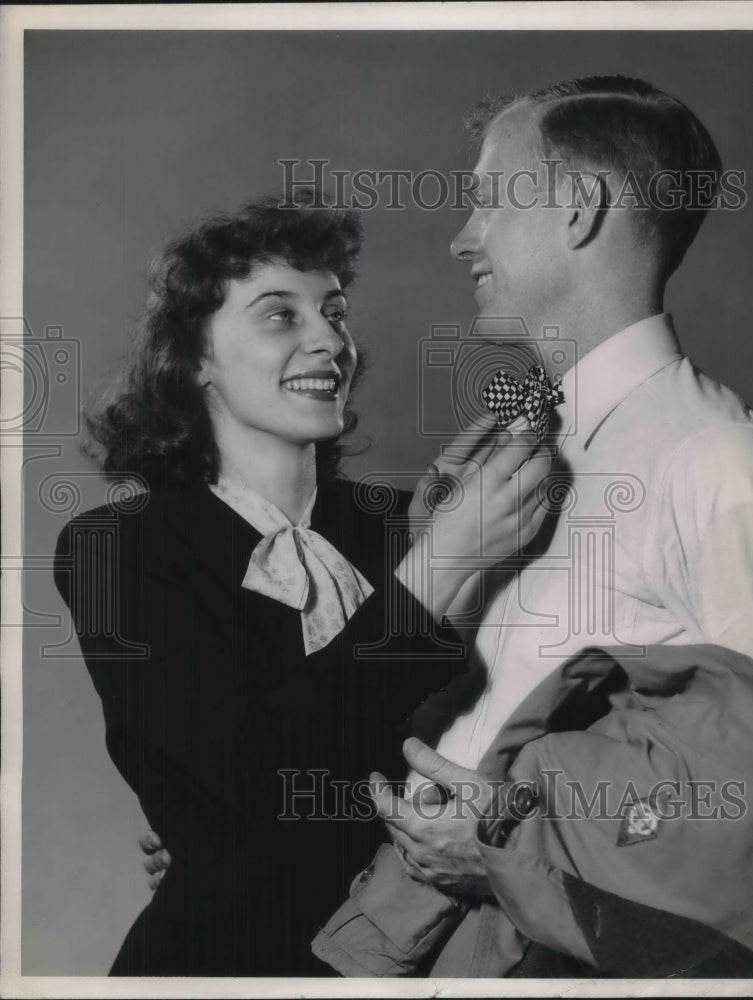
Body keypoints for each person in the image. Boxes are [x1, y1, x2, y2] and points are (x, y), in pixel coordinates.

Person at [312, 76, 753, 977]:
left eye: (488, 201)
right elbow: (468, 732)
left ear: (579, 212)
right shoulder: (504, 458)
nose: (460, 237)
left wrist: (503, 855)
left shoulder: (718, 465)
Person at [53, 192, 551, 975]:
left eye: (336, 312)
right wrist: (436, 573)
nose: (330, 341)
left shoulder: (410, 520)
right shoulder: (117, 548)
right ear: (194, 360)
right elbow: (255, 783)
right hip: (223, 966)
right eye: (280, 316)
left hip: (432, 960)